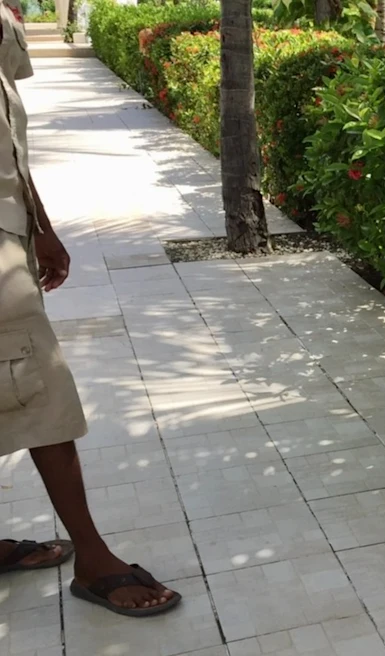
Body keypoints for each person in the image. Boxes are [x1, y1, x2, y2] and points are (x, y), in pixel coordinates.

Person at [0, 0, 179, 616]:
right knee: (38, 389)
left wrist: (39, 225)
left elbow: (9, 145)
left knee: (30, 387)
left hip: (8, 232)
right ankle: (93, 559)